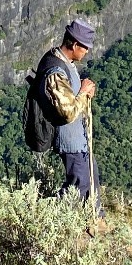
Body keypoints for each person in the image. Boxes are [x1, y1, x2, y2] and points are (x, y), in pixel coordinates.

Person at [29, 18, 100, 208]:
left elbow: (71, 96)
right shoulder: (55, 70)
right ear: (75, 44)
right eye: (85, 47)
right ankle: (47, 217)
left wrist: (84, 93)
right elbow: (66, 112)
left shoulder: (64, 62)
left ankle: (94, 221)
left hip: (79, 138)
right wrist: (84, 92)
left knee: (90, 177)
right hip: (70, 140)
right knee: (77, 185)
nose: (87, 52)